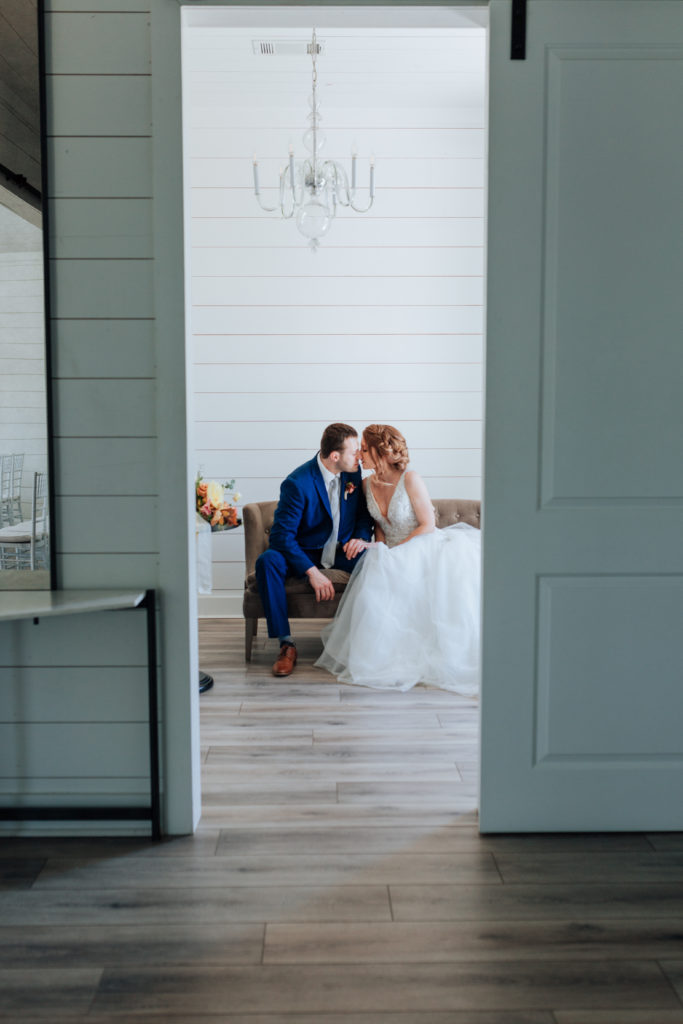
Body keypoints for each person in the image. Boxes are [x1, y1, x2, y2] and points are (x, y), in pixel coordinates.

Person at [315, 424, 481, 695]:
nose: (359, 455)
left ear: (380, 453)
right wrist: (378, 548)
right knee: (377, 577)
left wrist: (398, 551)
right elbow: (379, 528)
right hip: (390, 550)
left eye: (365, 450)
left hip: (424, 546)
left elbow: (427, 524)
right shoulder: (366, 484)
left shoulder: (410, 479)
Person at [255, 423, 374, 677]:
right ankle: (286, 644)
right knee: (267, 561)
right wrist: (311, 571)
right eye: (355, 452)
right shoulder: (297, 483)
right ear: (335, 456)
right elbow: (280, 536)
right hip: (305, 552)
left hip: (343, 551)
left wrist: (360, 539)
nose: (360, 456)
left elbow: (363, 516)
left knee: (378, 561)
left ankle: (371, 639)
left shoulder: (353, 473)